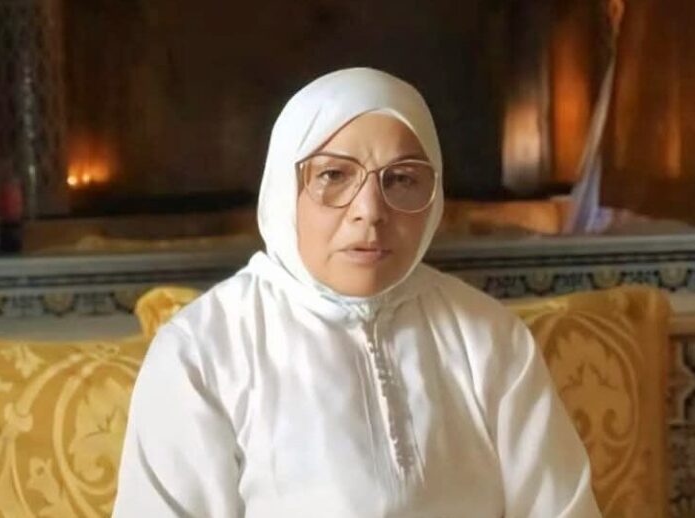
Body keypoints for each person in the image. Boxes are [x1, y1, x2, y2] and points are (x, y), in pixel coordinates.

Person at [113, 68, 601, 517]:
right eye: (333, 175)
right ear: (284, 190)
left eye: (402, 179)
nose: (370, 210)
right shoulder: (203, 350)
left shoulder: (489, 336)